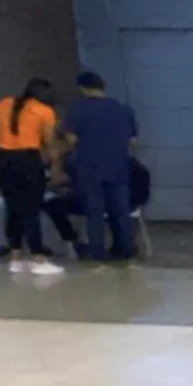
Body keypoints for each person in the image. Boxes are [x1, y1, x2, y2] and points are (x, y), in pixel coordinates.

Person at [57, 71, 139, 266]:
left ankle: (98, 254)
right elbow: (133, 141)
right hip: (118, 166)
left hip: (89, 168)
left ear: (83, 88)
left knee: (95, 212)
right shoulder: (123, 109)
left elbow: (71, 139)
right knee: (120, 211)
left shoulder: (77, 110)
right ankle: (125, 251)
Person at [0, 77, 63, 276]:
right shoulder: (45, 111)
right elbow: (49, 142)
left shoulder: (4, 104)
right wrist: (55, 163)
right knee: (31, 209)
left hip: (2, 159)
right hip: (27, 160)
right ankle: (38, 257)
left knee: (12, 208)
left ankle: (16, 257)